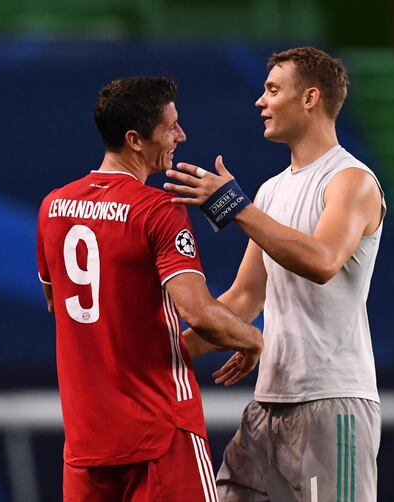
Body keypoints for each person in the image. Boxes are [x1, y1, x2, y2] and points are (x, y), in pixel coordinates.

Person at [164, 47, 386, 501]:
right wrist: (164, 355)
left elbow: (323, 260)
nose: (259, 102)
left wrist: (235, 207)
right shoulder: (272, 189)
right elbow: (245, 297)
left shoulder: (352, 181)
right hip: (268, 402)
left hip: (332, 403)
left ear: (309, 98)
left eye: (272, 90)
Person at [36, 76, 263, 502]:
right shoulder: (157, 209)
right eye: (171, 127)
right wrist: (256, 342)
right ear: (135, 140)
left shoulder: (53, 206)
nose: (182, 135)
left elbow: (58, 303)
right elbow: (199, 313)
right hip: (161, 431)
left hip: (87, 440)